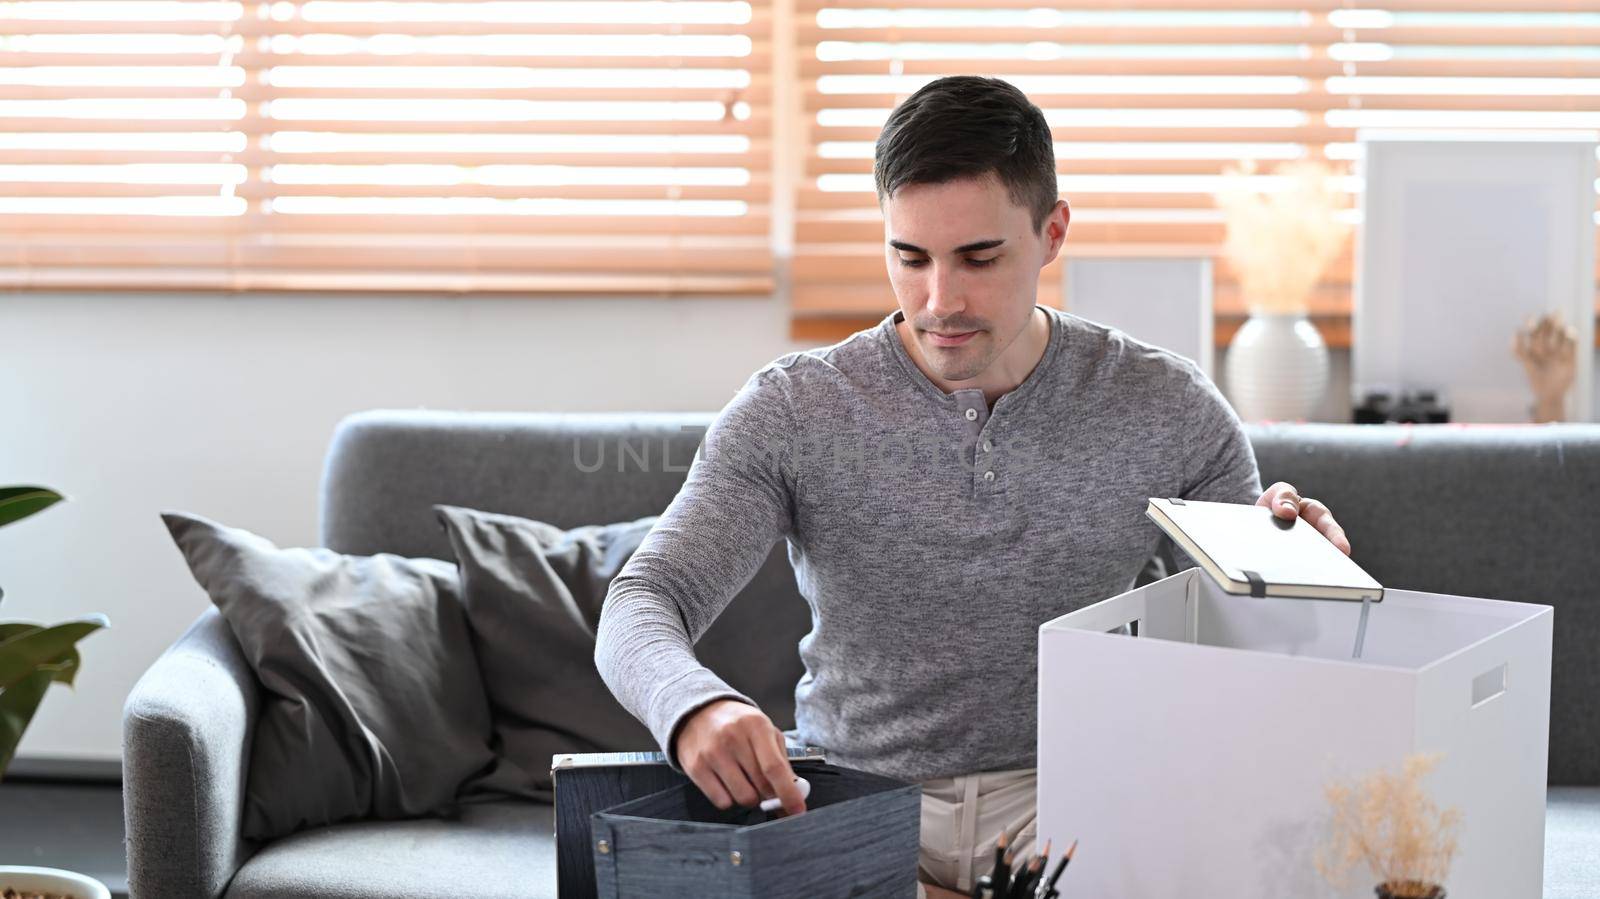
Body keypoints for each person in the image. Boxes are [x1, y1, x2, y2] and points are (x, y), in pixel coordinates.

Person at [594, 75, 1351, 898]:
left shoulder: (1168, 407)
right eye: (909, 257)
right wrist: (692, 705)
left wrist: (1297, 568)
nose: (940, 301)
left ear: (1052, 232)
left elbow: (1252, 647)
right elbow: (645, 596)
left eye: (979, 258)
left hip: (1074, 804)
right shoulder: (794, 408)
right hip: (853, 801)